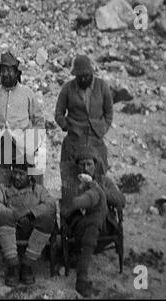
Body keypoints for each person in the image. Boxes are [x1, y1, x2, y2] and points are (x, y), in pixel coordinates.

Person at [60, 145, 125, 297]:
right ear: (77, 166)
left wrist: (96, 187)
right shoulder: (71, 183)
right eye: (82, 164)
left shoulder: (104, 181)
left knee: (96, 214)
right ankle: (81, 279)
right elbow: (66, 208)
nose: (85, 167)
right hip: (80, 227)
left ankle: (81, 279)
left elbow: (121, 200)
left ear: (95, 165)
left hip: (105, 225)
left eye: (89, 164)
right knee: (93, 221)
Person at [0, 162, 57, 286]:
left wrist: (30, 212)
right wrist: (13, 214)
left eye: (21, 174)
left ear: (29, 176)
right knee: (1, 215)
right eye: (15, 172)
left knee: (48, 220)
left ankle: (26, 264)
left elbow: (51, 205)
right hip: (10, 229)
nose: (17, 177)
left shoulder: (38, 190)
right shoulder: (3, 188)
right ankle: (13, 265)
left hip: (32, 230)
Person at [0, 51, 45, 188]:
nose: (6, 74)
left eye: (10, 70)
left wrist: (32, 142)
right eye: (3, 70)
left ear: (16, 73)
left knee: (24, 186)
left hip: (22, 146)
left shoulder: (27, 94)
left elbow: (39, 121)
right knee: (0, 186)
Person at [55, 54, 113, 197]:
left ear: (91, 72)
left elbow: (109, 113)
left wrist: (102, 128)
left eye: (85, 75)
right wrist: (67, 127)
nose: (82, 79)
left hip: (96, 140)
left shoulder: (102, 87)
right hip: (74, 141)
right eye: (79, 76)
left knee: (99, 179)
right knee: (70, 181)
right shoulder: (68, 88)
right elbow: (58, 113)